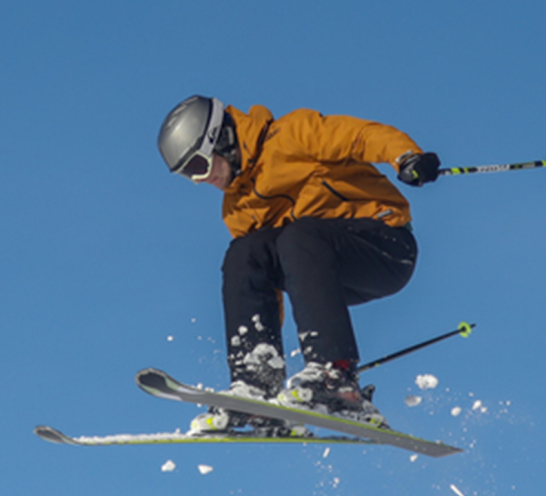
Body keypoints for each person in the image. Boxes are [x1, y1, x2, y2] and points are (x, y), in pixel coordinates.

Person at [156, 95, 440, 434]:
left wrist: (406, 156)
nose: (201, 180)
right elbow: (261, 284)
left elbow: (360, 135)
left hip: (383, 247)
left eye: (199, 167)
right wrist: (271, 366)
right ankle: (256, 382)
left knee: (298, 236)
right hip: (322, 275)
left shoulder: (291, 135)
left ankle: (336, 376)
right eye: (189, 175)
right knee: (243, 253)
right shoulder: (236, 208)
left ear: (223, 140)